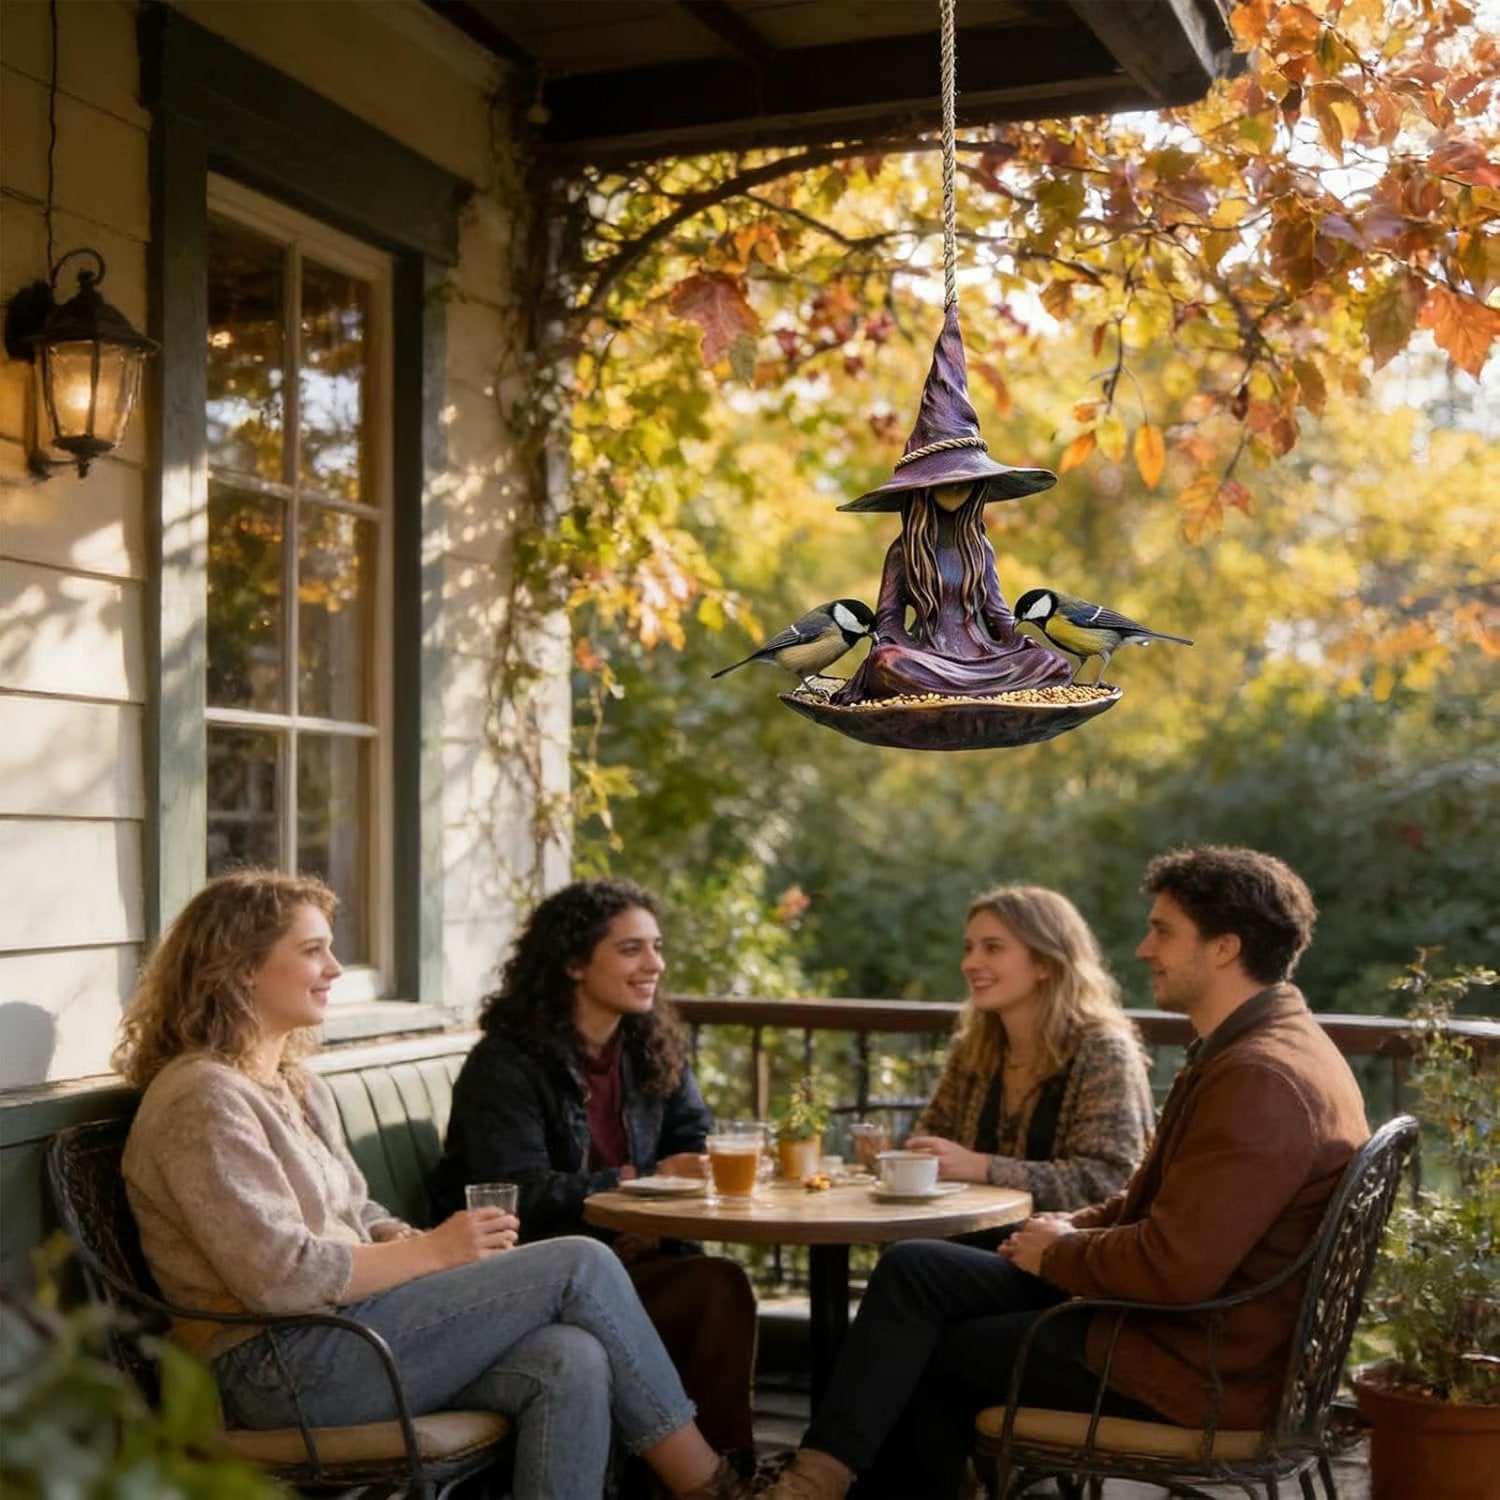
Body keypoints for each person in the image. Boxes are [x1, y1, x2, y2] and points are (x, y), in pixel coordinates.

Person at [113, 870, 753, 1500]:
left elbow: (355, 1207)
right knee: (581, 1264)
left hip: (346, 1334)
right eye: (313, 951)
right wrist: (434, 1252)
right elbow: (280, 1279)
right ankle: (710, 1485)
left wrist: (396, 1234)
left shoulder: (293, 1085)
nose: (335, 968)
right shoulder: (203, 1098)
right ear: (243, 967)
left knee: (570, 1357)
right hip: (269, 1367)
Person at [766, 846, 1369, 1500]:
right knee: (917, 1268)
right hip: (1174, 1326)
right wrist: (1069, 1228)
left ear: (1224, 948)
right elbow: (1150, 1201)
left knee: (936, 1349)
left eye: (1163, 931)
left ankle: (823, 1487)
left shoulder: (1261, 1077)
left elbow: (1177, 1265)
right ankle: (817, 1479)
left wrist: (1062, 1253)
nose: (1143, 949)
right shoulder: (1255, 1048)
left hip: (1192, 1367)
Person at [429, 878, 758, 1466]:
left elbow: (692, 1142)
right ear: (575, 963)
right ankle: (712, 1479)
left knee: (720, 1284)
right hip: (539, 1281)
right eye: (631, 949)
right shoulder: (506, 1063)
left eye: (656, 947)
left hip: (634, 1260)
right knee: (715, 1288)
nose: (654, 964)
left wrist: (654, 1224)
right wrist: (634, 1191)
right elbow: (518, 1192)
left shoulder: (651, 1047)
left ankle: (727, 1468)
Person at [905, 884, 1154, 1212]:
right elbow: (931, 1140)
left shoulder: (1103, 1051)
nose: (970, 963)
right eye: (969, 948)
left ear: (1045, 964)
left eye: (993, 948)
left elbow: (1107, 1180)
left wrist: (982, 1167)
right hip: (965, 1228)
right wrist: (896, 1156)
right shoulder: (973, 1049)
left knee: (912, 1247)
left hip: (1062, 1241)